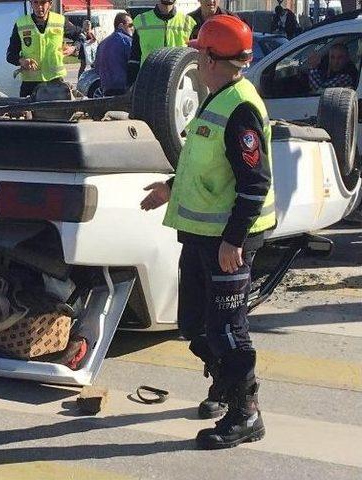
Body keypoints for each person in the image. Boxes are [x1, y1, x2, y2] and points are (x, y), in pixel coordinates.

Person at [140, 15, 274, 449]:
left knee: (228, 329)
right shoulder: (217, 98)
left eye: (200, 51)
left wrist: (233, 240)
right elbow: (208, 167)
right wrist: (171, 188)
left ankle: (245, 412)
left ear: (214, 59)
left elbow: (255, 183)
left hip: (226, 242)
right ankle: (224, 385)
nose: (195, 57)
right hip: (201, 236)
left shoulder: (241, 108)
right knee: (194, 324)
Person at [6, 0, 82, 97]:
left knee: (57, 112)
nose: (39, 7)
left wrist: (74, 48)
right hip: (30, 84)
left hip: (55, 82)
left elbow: (81, 35)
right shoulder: (21, 24)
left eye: (43, 3)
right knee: (26, 112)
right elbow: (10, 55)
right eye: (36, 2)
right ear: (31, 4)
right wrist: (22, 61)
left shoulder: (60, 21)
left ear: (50, 4)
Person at [127, 0, 196, 85]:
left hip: (177, 85)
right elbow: (135, 58)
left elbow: (194, 59)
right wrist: (131, 85)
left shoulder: (187, 22)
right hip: (148, 83)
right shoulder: (141, 21)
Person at [93, 13, 134, 96]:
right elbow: (134, 63)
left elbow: (97, 68)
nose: (133, 28)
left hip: (106, 87)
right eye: (130, 25)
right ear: (121, 25)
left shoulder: (102, 43)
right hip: (125, 87)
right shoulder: (128, 41)